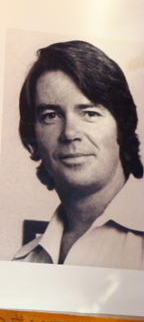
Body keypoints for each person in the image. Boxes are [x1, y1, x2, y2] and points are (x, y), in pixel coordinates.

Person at [13, 40, 144, 269]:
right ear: (32, 133)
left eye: (90, 113)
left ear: (122, 126)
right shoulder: (25, 260)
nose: (70, 133)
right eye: (51, 116)